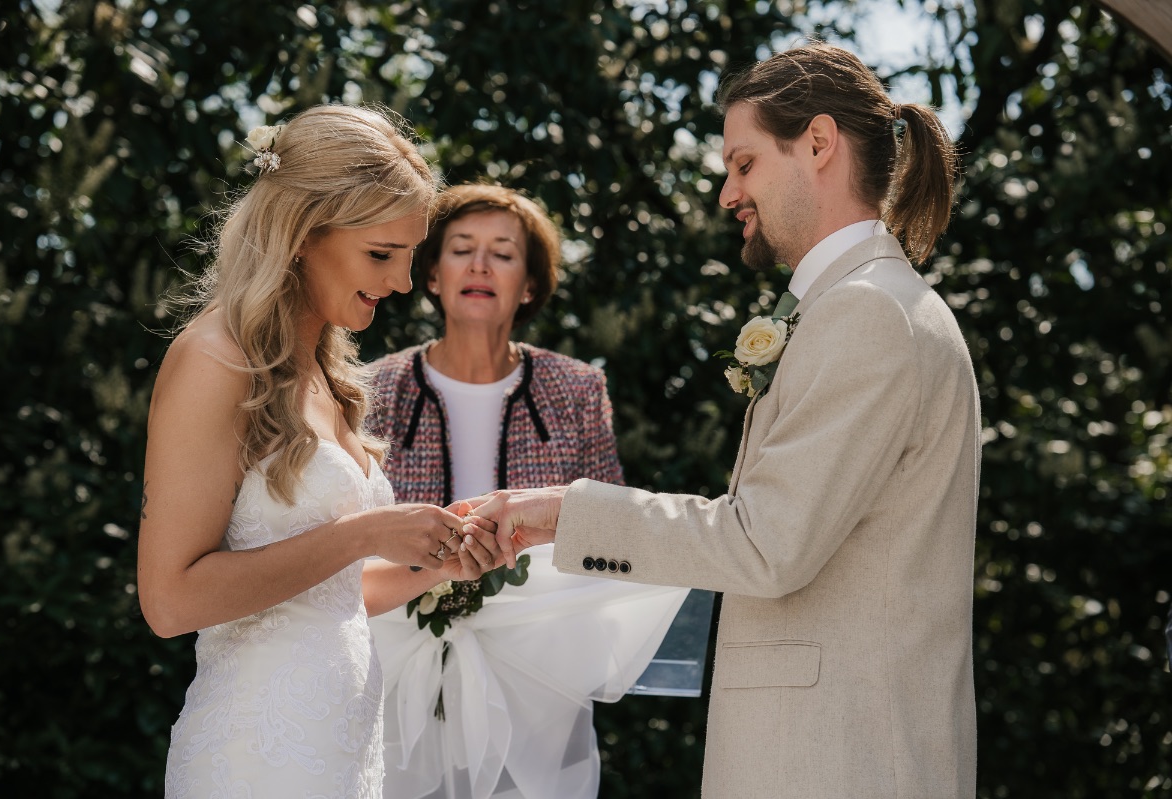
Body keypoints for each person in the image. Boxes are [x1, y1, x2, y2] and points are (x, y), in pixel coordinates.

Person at [473, 42, 979, 798]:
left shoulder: (868, 312)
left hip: (838, 763)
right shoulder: (866, 303)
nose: (726, 192)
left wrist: (563, 512)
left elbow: (765, 543)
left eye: (743, 164)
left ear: (817, 143)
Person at [137, 105, 504, 799]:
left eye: (409, 256)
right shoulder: (216, 359)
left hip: (340, 756)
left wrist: (441, 560)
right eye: (381, 254)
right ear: (304, 232)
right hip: (255, 759)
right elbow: (169, 599)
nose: (401, 283)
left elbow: (330, 595)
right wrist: (367, 532)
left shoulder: (322, 373)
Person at [364, 183, 688, 799]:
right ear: (432, 274)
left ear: (530, 284)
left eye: (503, 254)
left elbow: (609, 525)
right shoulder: (376, 389)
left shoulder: (577, 390)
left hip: (541, 677)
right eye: (462, 249)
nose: (480, 265)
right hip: (400, 670)